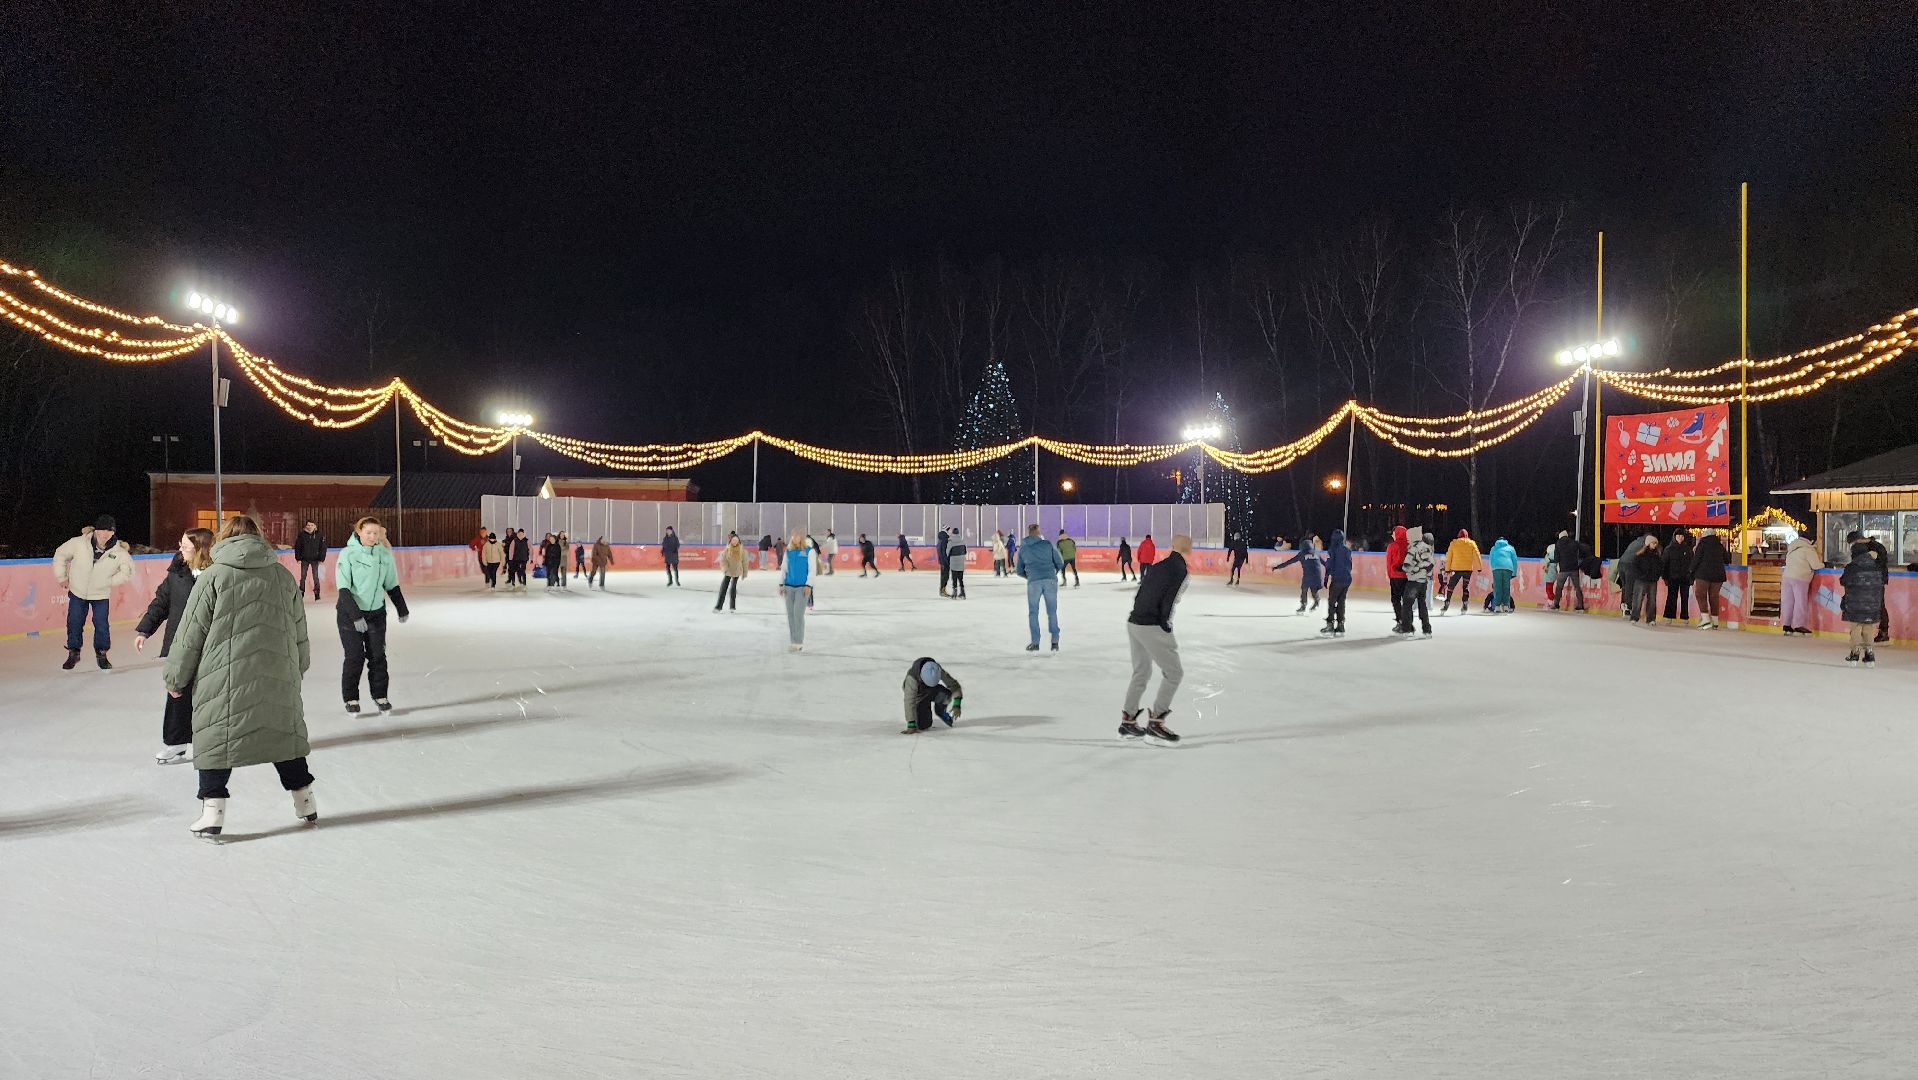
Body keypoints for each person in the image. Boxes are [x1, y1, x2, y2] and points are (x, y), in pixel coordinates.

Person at [162, 515, 315, 841]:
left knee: (217, 740)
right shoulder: (283, 576)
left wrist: (176, 678)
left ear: (225, 539)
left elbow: (190, 634)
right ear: (259, 540)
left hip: (222, 677)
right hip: (277, 674)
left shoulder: (213, 577)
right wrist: (298, 668)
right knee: (283, 737)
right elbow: (300, 629)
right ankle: (306, 801)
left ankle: (212, 814)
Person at [135, 526, 215, 765]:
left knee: (208, 695)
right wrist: (144, 629)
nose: (180, 549)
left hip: (208, 644)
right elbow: (161, 601)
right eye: (180, 545)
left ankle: (209, 742)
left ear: (200, 548)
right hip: (179, 644)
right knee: (177, 692)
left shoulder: (217, 575)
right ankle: (176, 744)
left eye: (185, 546)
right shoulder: (177, 572)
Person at [1118, 534, 1192, 745]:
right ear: (1188, 549)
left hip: (1134, 622)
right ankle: (1156, 721)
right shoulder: (1180, 569)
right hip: (1150, 625)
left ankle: (1128, 720)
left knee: (1141, 672)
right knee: (1174, 673)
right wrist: (1165, 625)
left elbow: (1140, 593)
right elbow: (1170, 599)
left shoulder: (1158, 566)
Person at [336, 515, 410, 714]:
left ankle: (380, 695)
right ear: (359, 531)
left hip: (376, 613)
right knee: (355, 657)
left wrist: (401, 608)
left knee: (378, 656)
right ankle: (351, 698)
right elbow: (343, 589)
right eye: (368, 532)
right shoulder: (347, 554)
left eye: (375, 533)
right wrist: (355, 616)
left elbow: (391, 584)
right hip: (349, 614)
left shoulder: (384, 555)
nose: (372, 536)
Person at [52, 515, 135, 670]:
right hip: (78, 592)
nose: (104, 534)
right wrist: (61, 577)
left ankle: (102, 654)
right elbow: (60, 554)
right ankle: (73, 652)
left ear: (113, 532)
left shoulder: (119, 551)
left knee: (101, 625)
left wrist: (108, 582)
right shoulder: (79, 543)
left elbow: (127, 572)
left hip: (100, 595)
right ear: (96, 530)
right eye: (101, 530)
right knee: (74, 622)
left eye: (108, 531)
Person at [1014, 523, 1064, 652]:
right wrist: (1052, 573)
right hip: (1050, 580)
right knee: (1052, 612)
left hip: (1033, 582)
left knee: (1033, 613)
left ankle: (1035, 643)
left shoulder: (1024, 549)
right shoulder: (1047, 544)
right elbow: (1060, 562)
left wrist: (1031, 576)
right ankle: (1055, 642)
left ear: (1029, 533)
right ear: (1038, 532)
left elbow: (1019, 570)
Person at [1839, 537, 1885, 666]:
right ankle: (1870, 654)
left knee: (1856, 628)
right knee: (1868, 628)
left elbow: (1843, 581)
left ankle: (1855, 653)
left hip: (1855, 603)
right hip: (1873, 604)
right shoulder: (1876, 566)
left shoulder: (1852, 567)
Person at [1848, 531, 1894, 642]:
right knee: (1877, 605)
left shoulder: (1864, 548)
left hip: (1871, 580)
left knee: (1871, 605)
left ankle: (1875, 632)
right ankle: (1879, 632)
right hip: (1875, 580)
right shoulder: (1874, 546)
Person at [899, 658, 964, 734]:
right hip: (919, 697)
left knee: (946, 695)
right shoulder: (911, 680)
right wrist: (911, 724)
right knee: (924, 725)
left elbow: (953, 685)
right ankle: (924, 707)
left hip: (932, 690)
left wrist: (957, 703)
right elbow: (909, 701)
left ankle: (940, 711)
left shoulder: (937, 669)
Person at [1780, 531, 1820, 635]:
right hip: (1800, 577)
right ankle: (1798, 625)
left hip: (1787, 577)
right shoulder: (1808, 549)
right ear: (1811, 541)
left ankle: (1786, 625)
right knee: (1800, 602)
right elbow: (1816, 565)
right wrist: (1824, 564)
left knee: (1788, 601)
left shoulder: (1792, 548)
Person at [1397, 527, 1434, 636]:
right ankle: (1427, 629)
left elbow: (1407, 565)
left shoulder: (1414, 548)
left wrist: (1410, 570)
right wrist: (1425, 573)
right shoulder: (1428, 549)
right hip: (1423, 582)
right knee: (1422, 605)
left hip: (1414, 581)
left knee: (1407, 604)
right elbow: (1430, 565)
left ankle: (1407, 629)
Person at [1272, 536, 1324, 613]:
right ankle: (1316, 602)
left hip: (1308, 575)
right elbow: (1325, 563)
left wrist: (1277, 567)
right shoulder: (1316, 553)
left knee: (1304, 590)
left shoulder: (1302, 554)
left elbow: (1289, 562)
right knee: (1314, 590)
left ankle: (1303, 606)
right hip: (1317, 575)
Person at [779, 529, 810, 651]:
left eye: (798, 535)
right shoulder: (789, 552)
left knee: (798, 614)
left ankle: (799, 641)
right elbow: (784, 569)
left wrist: (809, 585)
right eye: (794, 536)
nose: (795, 537)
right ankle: (793, 641)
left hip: (802, 587)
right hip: (789, 587)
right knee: (791, 615)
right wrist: (782, 584)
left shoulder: (809, 551)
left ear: (801, 538)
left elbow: (812, 570)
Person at [1318, 529, 1353, 636]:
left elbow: (1329, 566)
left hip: (1337, 579)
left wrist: (1325, 578)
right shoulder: (1347, 550)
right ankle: (1341, 625)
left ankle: (1330, 624)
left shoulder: (1332, 550)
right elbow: (1350, 564)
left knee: (1332, 602)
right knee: (1341, 601)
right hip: (1346, 579)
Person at [1439, 529, 1481, 614]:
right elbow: (1477, 555)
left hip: (1456, 569)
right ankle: (1465, 603)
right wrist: (1479, 567)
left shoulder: (1453, 543)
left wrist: (1447, 569)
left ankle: (1446, 603)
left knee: (1451, 587)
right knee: (1465, 587)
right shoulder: (1472, 543)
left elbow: (1449, 557)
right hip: (1468, 569)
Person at [1692, 532, 1728, 629]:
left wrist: (1691, 570)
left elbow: (1697, 559)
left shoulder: (1703, 543)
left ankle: (1705, 619)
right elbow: (1727, 559)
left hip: (1703, 574)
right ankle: (1715, 621)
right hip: (1718, 575)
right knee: (1714, 597)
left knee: (1700, 594)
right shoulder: (1719, 545)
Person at [1613, 532, 1651, 621]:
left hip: (1621, 564)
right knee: (1630, 587)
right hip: (1630, 565)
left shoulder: (1634, 542)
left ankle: (1624, 605)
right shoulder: (1645, 544)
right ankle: (1627, 609)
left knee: (1625, 587)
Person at [1661, 530, 1695, 623]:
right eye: (1678, 536)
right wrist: (1665, 577)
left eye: (1682, 536)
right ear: (1674, 537)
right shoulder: (1669, 549)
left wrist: (1691, 577)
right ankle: (1669, 616)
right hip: (1672, 577)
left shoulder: (1688, 549)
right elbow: (1664, 564)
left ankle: (1685, 617)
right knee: (1671, 597)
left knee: (1685, 597)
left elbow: (1692, 564)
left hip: (1685, 578)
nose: (1680, 537)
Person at [1629, 535, 1663, 625]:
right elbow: (1634, 567)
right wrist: (1640, 575)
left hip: (1652, 580)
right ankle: (1634, 617)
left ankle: (1651, 618)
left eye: (1656, 543)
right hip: (1641, 580)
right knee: (1638, 599)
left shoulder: (1657, 556)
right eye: (1653, 543)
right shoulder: (1640, 555)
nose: (1655, 545)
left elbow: (1660, 567)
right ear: (1648, 544)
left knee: (1652, 600)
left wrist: (1656, 576)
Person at [1552, 530, 1587, 611]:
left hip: (1563, 569)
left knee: (1559, 587)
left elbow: (1556, 558)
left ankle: (1556, 604)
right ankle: (1580, 605)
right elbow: (1583, 548)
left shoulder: (1558, 543)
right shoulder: (1574, 543)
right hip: (1574, 568)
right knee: (1577, 587)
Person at [1385, 525, 1410, 630]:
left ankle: (1400, 620)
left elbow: (1389, 562)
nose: (1392, 535)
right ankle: (1407, 622)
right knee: (1406, 600)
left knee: (1396, 599)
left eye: (1394, 533)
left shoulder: (1392, 546)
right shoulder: (1410, 546)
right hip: (1408, 577)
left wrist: (1389, 575)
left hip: (1395, 577)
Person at [295, 520, 328, 600]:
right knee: (303, 577)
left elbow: (323, 548)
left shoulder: (319, 535)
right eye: (308, 525)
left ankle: (317, 594)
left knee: (315, 577)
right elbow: (297, 547)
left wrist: (321, 558)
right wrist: (298, 558)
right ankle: (301, 592)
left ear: (315, 526)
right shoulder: (302, 535)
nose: (309, 527)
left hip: (315, 559)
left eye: (311, 525)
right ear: (306, 526)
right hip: (304, 559)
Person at [716, 533, 747, 611]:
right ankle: (719, 606)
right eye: (733, 540)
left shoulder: (741, 550)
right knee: (723, 588)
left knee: (733, 588)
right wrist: (725, 569)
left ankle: (732, 606)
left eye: (736, 540)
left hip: (737, 571)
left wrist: (744, 573)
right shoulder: (727, 549)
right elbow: (723, 561)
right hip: (728, 571)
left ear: (738, 541)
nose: (735, 541)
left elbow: (745, 562)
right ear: (731, 541)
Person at [1487, 536, 1518, 613]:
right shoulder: (1510, 548)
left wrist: (1493, 568)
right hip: (1508, 568)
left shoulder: (1493, 548)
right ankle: (1506, 606)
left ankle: (1497, 606)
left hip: (1496, 568)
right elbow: (1514, 560)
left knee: (1497, 587)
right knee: (1506, 587)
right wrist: (1514, 572)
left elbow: (1491, 559)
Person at [947, 531, 969, 598]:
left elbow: (947, 553)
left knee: (954, 578)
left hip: (953, 562)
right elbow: (965, 552)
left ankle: (954, 593)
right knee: (960, 578)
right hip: (961, 563)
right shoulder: (963, 542)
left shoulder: (950, 542)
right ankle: (963, 593)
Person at [1542, 538, 1558, 606]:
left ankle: (1551, 600)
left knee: (1548, 588)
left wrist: (1545, 566)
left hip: (1549, 574)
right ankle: (1551, 600)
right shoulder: (1556, 557)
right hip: (1553, 573)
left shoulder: (1548, 556)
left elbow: (1546, 563)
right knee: (1550, 587)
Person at [937, 527, 952, 597]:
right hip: (944, 561)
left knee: (944, 576)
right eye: (949, 530)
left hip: (943, 560)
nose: (950, 532)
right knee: (945, 576)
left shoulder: (942, 539)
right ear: (946, 530)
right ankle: (942, 590)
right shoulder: (944, 540)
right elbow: (943, 552)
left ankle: (942, 590)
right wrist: (945, 561)